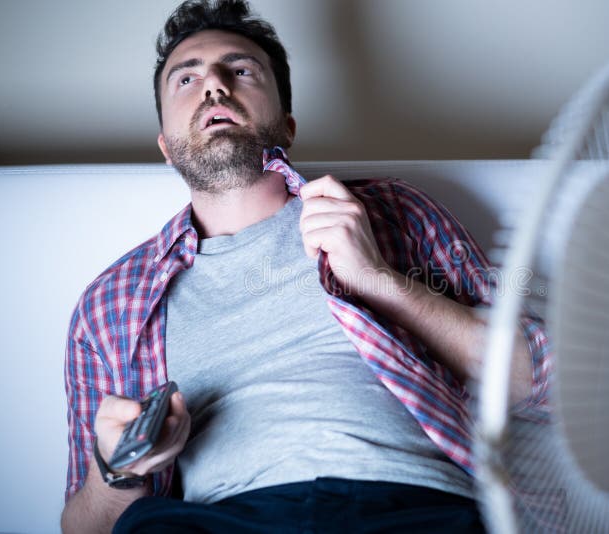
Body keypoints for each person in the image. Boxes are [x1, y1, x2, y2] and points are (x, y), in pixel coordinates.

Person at [60, 1, 550, 532]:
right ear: (166, 148)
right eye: (187, 79)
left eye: (241, 70)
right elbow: (81, 528)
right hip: (221, 521)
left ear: (287, 126)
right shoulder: (110, 303)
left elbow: (553, 386)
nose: (215, 87)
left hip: (418, 507)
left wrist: (380, 282)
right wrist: (117, 474)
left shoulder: (394, 213)